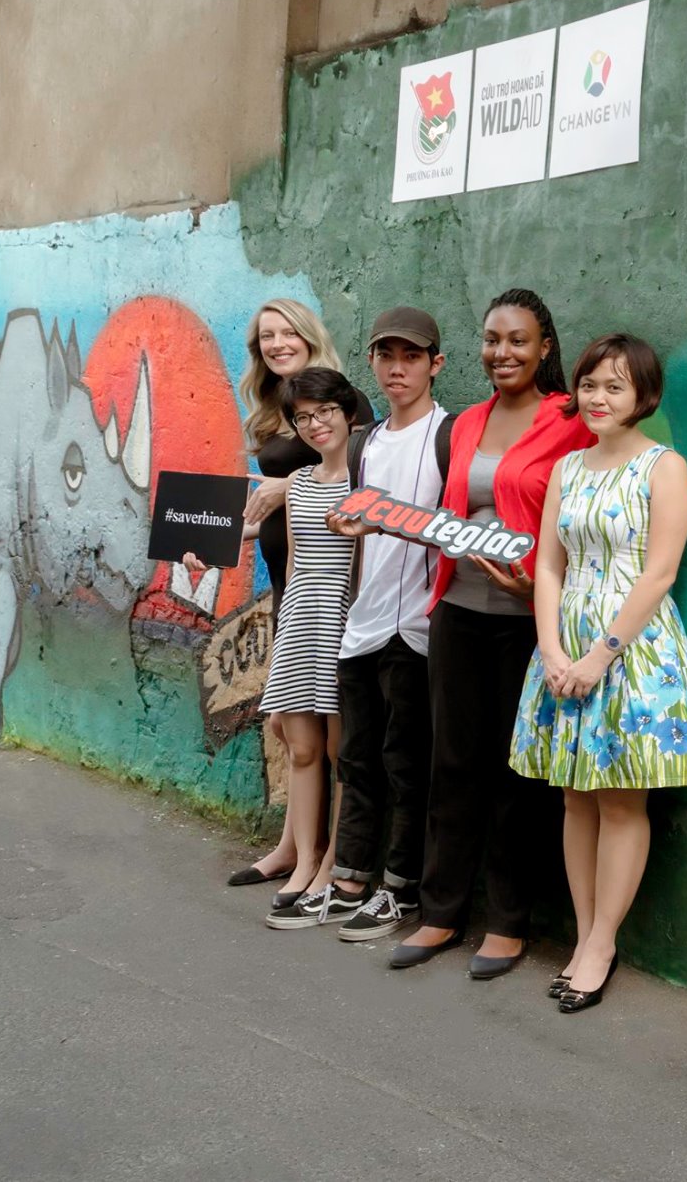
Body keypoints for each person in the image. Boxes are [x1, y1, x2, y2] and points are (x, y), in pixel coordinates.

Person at [389, 289, 594, 977]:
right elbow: (442, 513)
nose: (501, 352)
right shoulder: (468, 422)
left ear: (545, 348)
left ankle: (508, 922)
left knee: (516, 776)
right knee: (451, 763)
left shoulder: (571, 418)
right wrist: (368, 515)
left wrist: (534, 580)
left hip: (527, 624)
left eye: (517, 340)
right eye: (491, 339)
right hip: (456, 613)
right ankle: (440, 911)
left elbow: (586, 512)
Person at [509, 334, 687, 1013]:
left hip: (636, 649)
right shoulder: (568, 469)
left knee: (621, 797)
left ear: (642, 394)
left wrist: (600, 653)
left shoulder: (663, 467)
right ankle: (585, 931)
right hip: (567, 645)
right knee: (573, 794)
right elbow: (550, 565)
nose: (598, 397)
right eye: (590, 384)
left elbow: (660, 572)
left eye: (614, 386)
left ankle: (600, 943)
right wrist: (554, 649)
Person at [267, 308, 455, 936]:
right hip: (361, 624)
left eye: (410, 356)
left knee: (407, 765)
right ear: (371, 363)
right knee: (356, 761)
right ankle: (347, 880)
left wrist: (382, 519)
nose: (397, 368)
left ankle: (398, 890)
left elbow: (455, 528)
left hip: (419, 628)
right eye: (385, 356)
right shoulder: (366, 443)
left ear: (436, 364)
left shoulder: (450, 435)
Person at [224, 299, 360, 906]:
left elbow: (350, 480)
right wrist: (218, 538)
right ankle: (293, 851)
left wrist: (287, 486)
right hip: (292, 581)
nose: (277, 344)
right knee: (289, 728)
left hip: (336, 592)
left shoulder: (341, 407)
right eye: (265, 337)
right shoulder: (276, 410)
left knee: (327, 738)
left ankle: (324, 859)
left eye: (287, 333)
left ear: (309, 335)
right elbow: (272, 509)